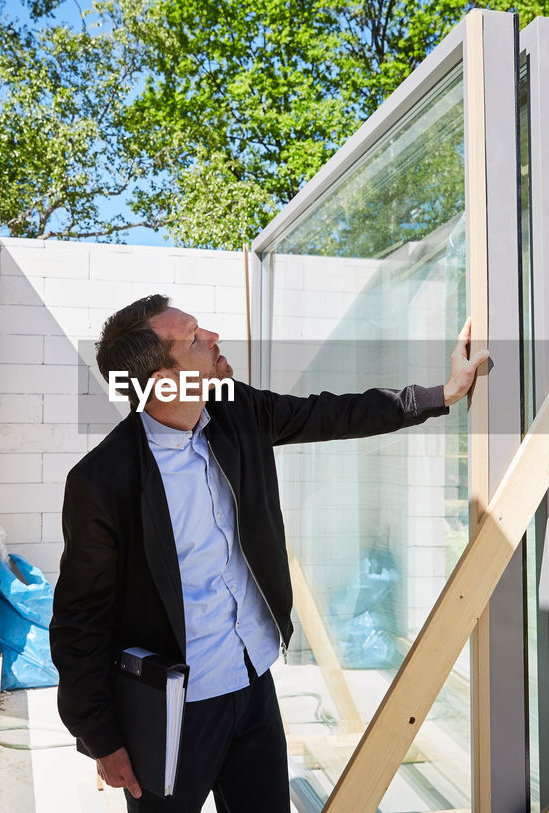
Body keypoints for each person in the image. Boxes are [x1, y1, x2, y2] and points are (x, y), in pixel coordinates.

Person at [51, 294, 488, 812]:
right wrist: (100, 735)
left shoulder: (237, 411)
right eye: (194, 338)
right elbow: (80, 619)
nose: (213, 338)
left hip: (252, 682)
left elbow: (331, 413)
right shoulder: (102, 481)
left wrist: (440, 394)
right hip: (172, 711)